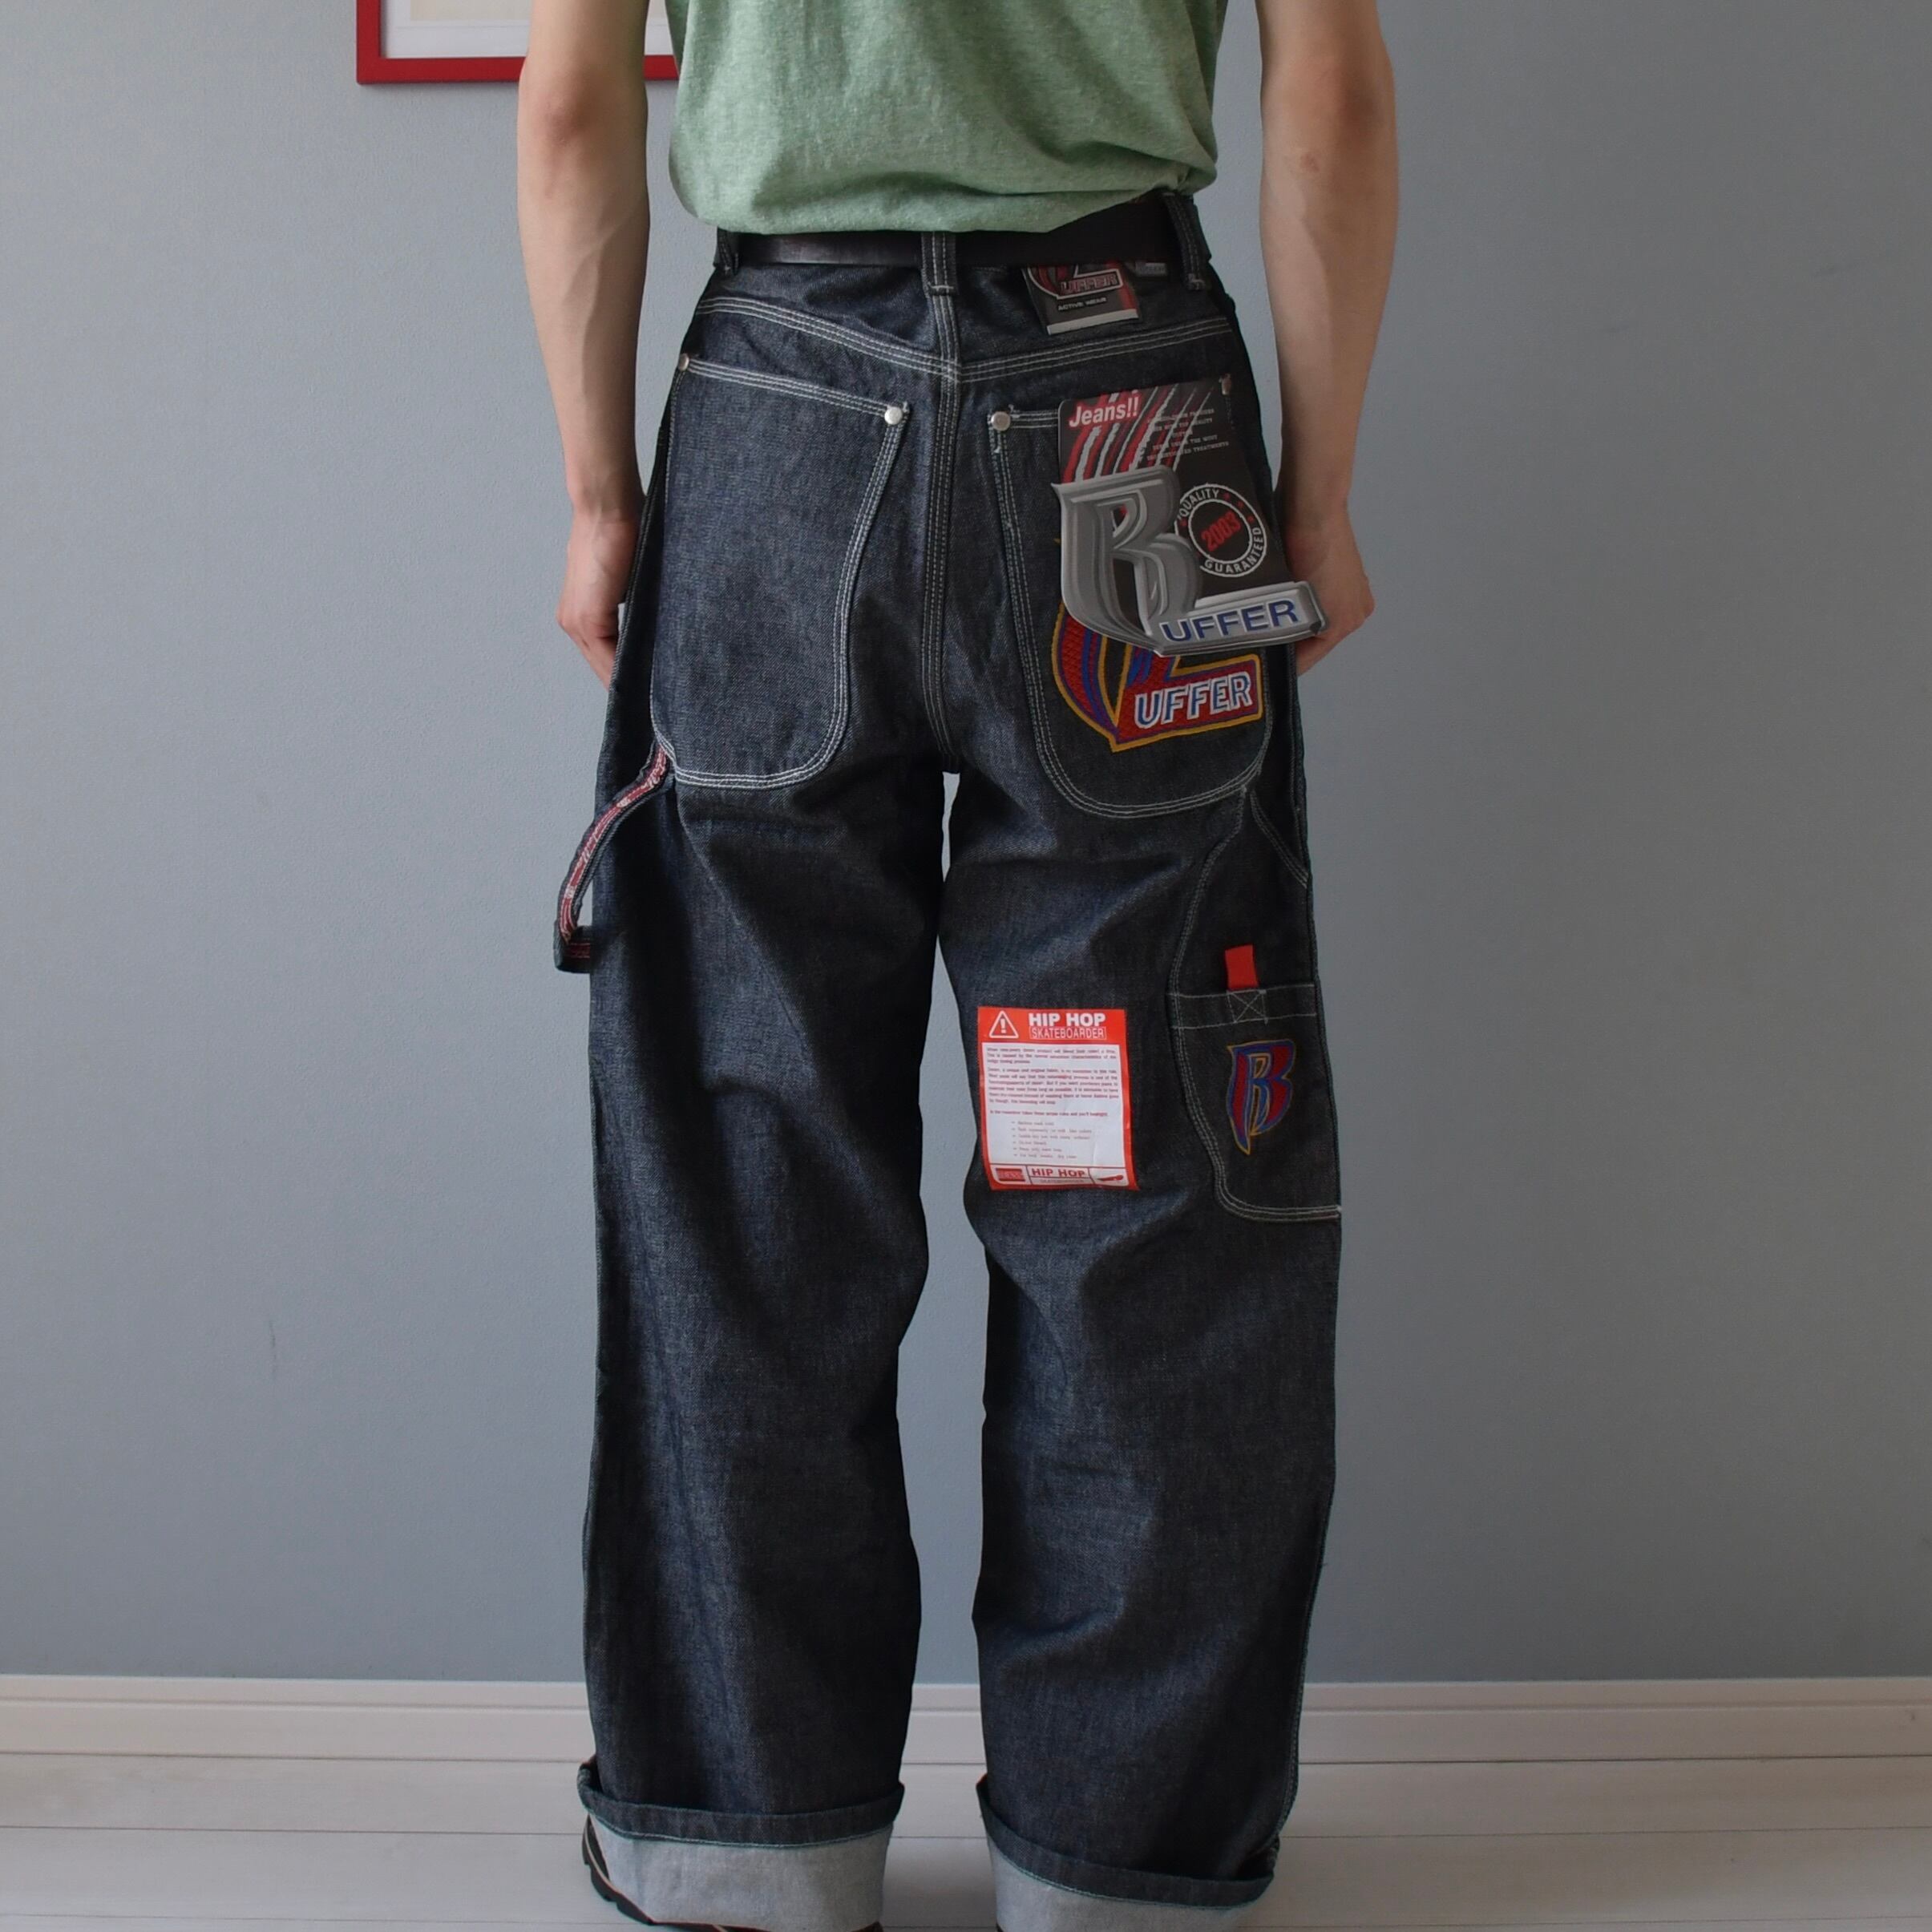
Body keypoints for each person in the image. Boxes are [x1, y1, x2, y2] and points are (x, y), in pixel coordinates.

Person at [517, 2, 1396, 1926]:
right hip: (1134, 408)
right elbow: (1325, 90)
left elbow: (574, 108)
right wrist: (1316, 499)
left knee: (745, 1169)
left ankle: (746, 1845)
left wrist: (598, 500)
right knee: (1144, 1176)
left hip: (778, 406)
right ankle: (1121, 1862)